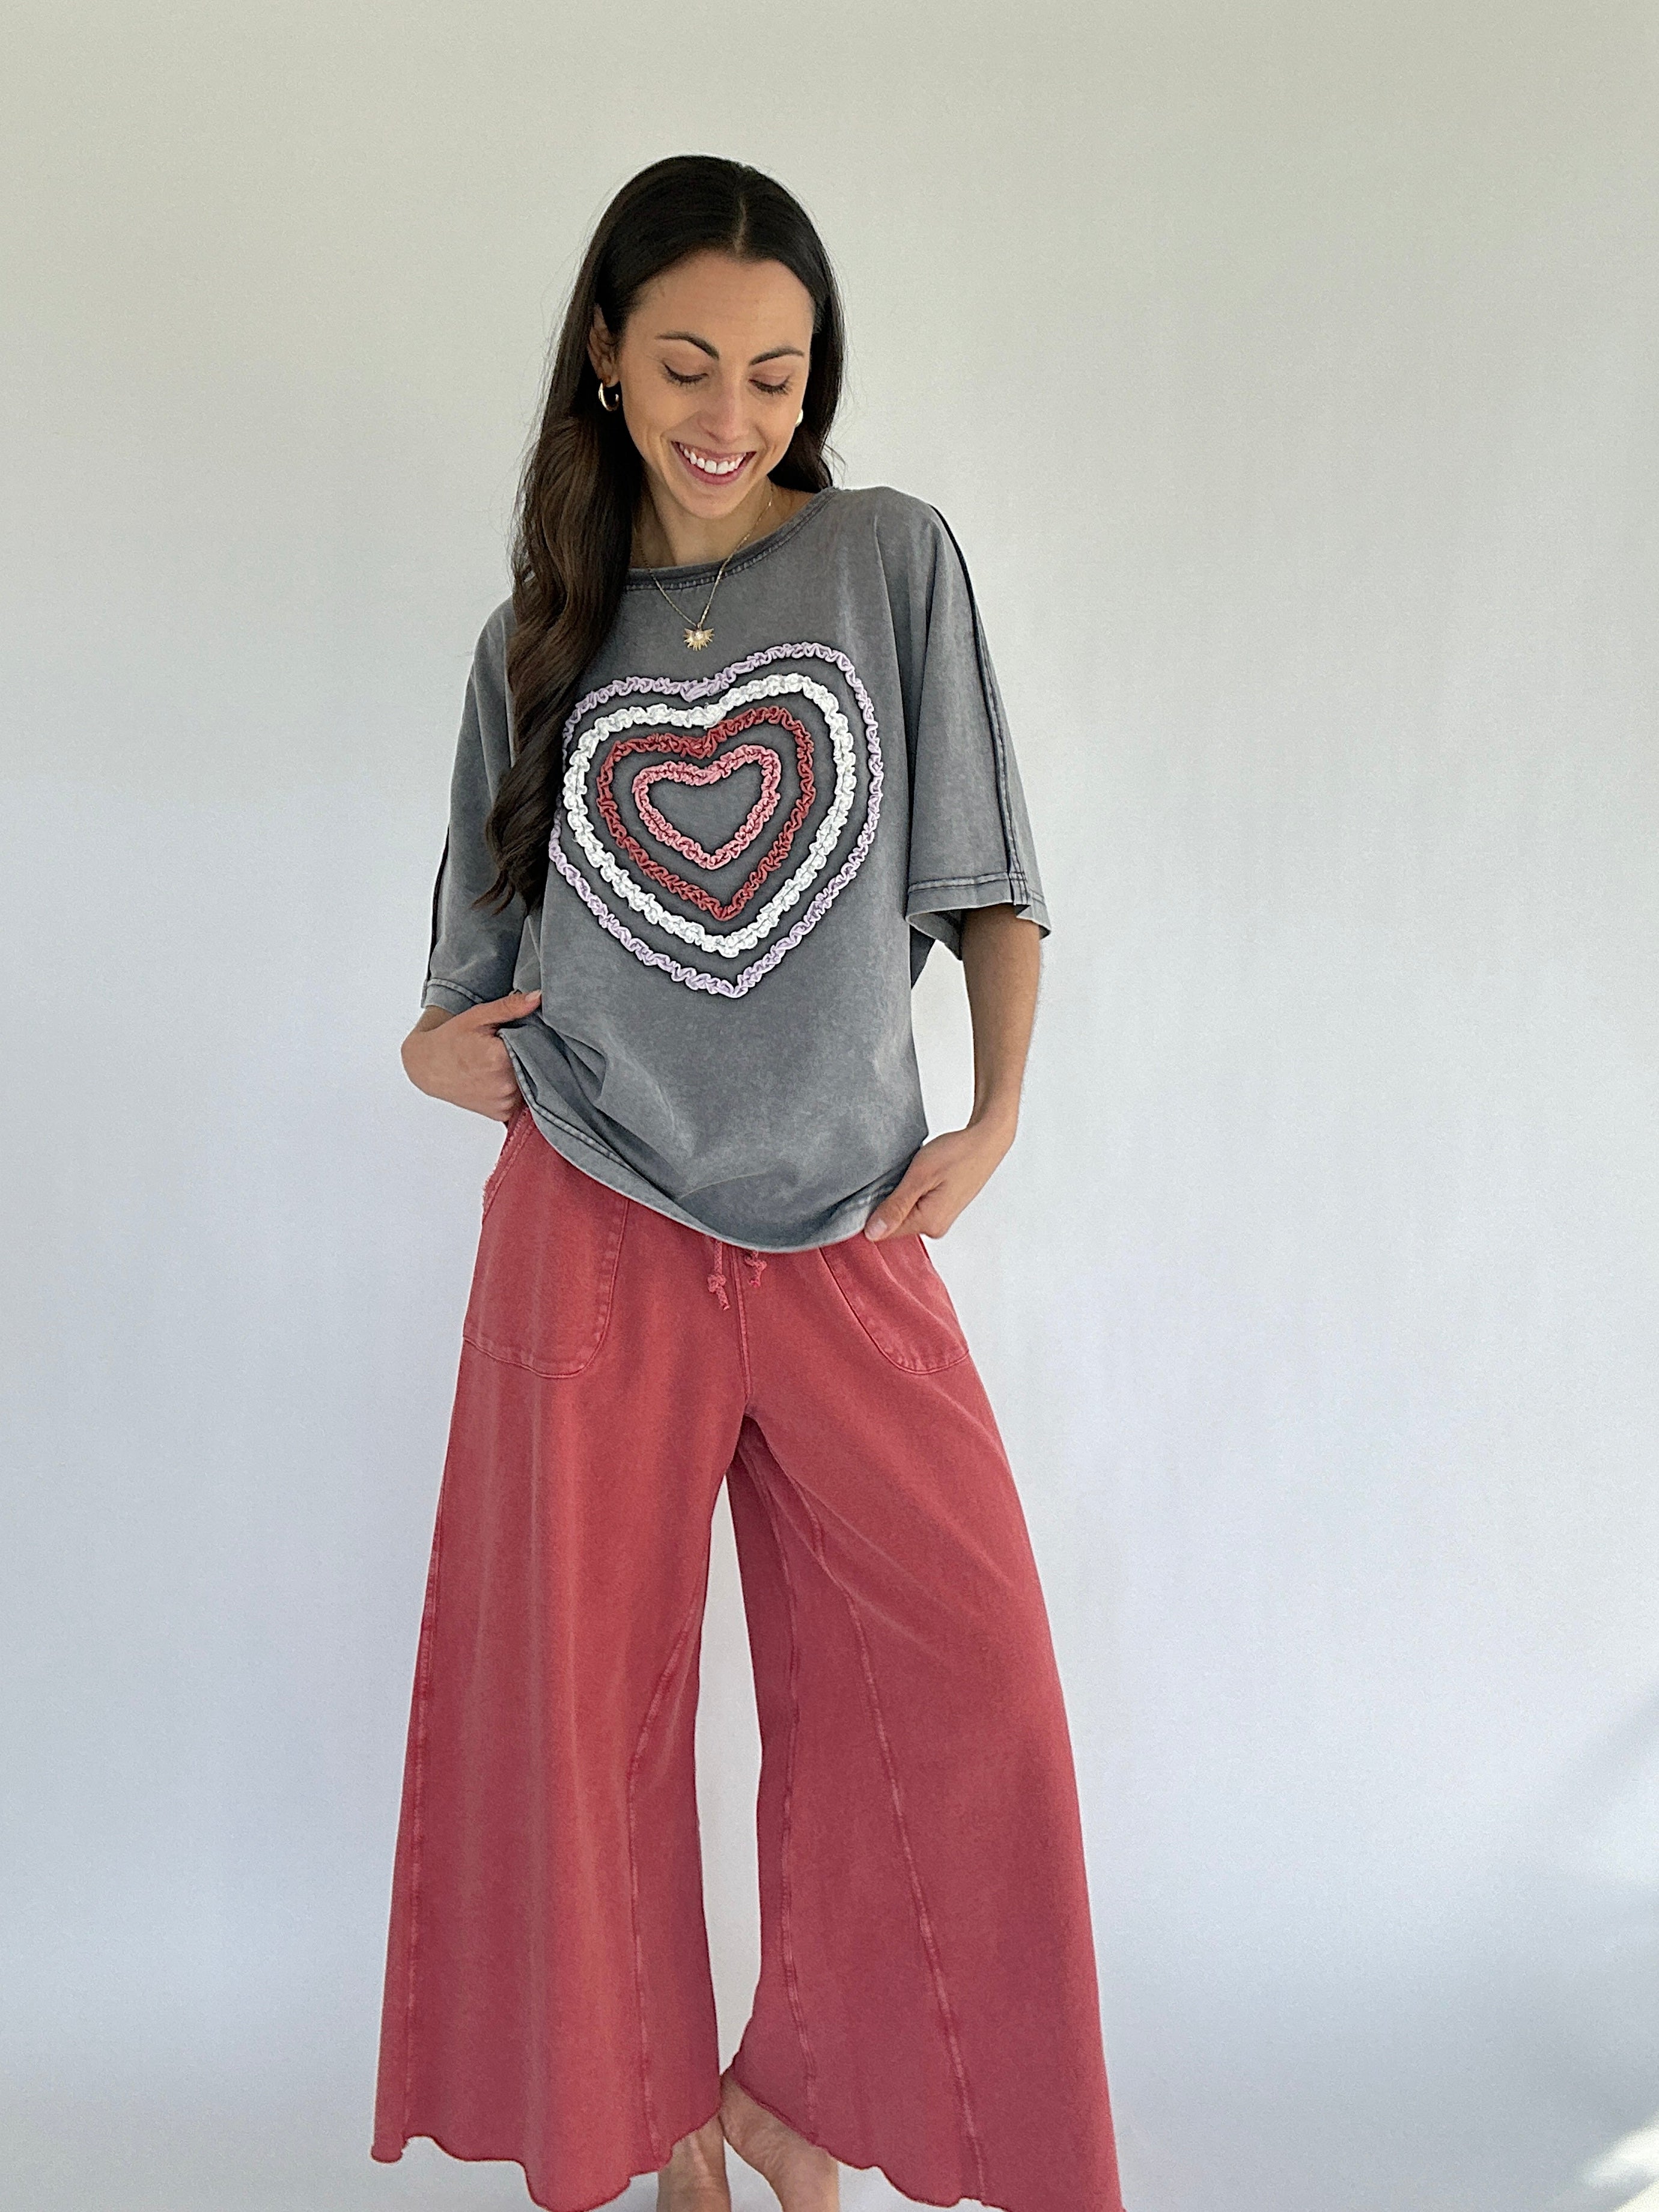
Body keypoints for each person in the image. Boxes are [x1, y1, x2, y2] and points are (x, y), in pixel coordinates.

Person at [371, 154, 1126, 2212]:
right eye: (689, 363)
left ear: (816, 382)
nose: (729, 413)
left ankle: (793, 2091)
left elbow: (991, 878)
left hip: (844, 1225)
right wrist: (444, 1056)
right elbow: (462, 983)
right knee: (586, 1712)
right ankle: (651, 2127)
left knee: (965, 1680)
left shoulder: (887, 560)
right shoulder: (533, 638)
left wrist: (990, 1119)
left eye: (776, 376)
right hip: (590, 1224)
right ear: (605, 357)